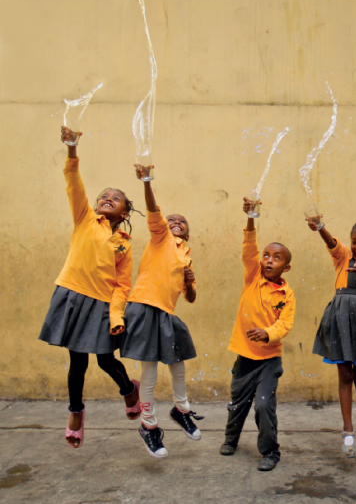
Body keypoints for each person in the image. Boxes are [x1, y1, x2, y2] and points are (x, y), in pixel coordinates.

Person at [39, 126, 141, 449]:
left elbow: (122, 286)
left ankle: (129, 390)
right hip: (71, 297)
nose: (108, 199)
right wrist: (72, 148)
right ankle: (76, 413)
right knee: (78, 363)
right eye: (104, 196)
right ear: (96, 205)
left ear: (124, 212)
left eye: (116, 199)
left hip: (101, 307)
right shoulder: (84, 218)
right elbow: (74, 181)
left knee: (106, 360)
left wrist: (116, 316)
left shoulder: (124, 245)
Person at [120, 164, 202, 459]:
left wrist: (190, 284)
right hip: (143, 306)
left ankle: (181, 410)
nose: (175, 222)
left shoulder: (185, 256)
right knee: (150, 372)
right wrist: (146, 181)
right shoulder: (161, 237)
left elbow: (189, 298)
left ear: (188, 232)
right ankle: (148, 425)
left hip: (166, 313)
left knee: (178, 364)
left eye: (181, 221)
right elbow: (153, 209)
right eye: (172, 220)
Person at [219, 197, 296, 472]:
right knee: (237, 404)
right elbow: (249, 248)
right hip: (244, 358)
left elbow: (285, 325)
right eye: (266, 255)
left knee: (264, 406)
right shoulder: (252, 276)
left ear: (285, 268)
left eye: (276, 258)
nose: (268, 260)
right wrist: (251, 217)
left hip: (268, 361)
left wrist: (267, 333)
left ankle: (270, 452)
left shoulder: (286, 294)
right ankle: (230, 440)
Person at [308, 216, 356, 458]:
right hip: (340, 318)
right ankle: (348, 431)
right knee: (345, 375)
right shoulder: (343, 256)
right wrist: (320, 228)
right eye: (355, 241)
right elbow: (331, 242)